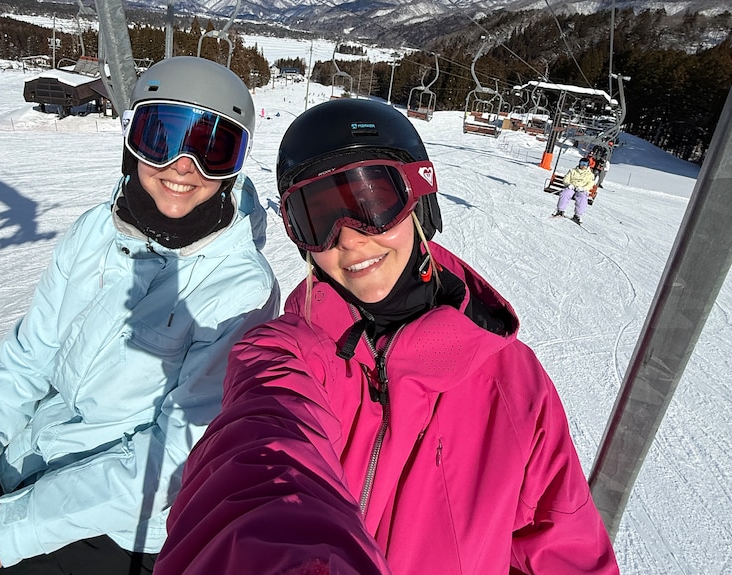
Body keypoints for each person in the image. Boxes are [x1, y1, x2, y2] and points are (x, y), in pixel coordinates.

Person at [150, 98, 619, 575]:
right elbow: (260, 459)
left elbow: (565, 548)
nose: (349, 238)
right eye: (318, 218)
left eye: (371, 203)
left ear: (422, 197)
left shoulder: (514, 384)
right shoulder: (281, 351)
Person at [0, 56, 279, 575]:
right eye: (163, 136)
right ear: (133, 139)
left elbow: (180, 456)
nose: (183, 166)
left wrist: (12, 527)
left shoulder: (240, 288)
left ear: (235, 164)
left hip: (119, 524)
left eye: (212, 150)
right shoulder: (97, 232)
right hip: (28, 462)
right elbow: (27, 360)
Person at [553, 156, 597, 224]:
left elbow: (590, 184)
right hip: (572, 187)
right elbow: (566, 179)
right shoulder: (572, 171)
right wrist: (569, 184)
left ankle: (577, 215)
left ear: (588, 165)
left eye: (585, 164)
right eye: (582, 163)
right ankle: (560, 211)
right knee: (565, 194)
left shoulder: (590, 175)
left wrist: (583, 188)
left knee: (582, 198)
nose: (583, 166)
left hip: (581, 189)